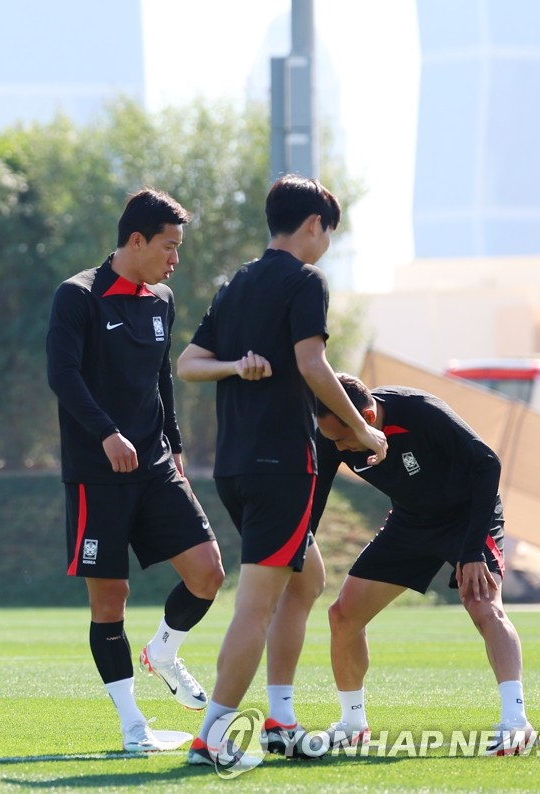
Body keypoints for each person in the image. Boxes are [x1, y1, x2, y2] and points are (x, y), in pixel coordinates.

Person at [176, 174, 388, 769]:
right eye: (329, 234)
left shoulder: (236, 283)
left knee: (306, 580)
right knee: (256, 606)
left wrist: (234, 367)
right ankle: (212, 736)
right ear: (315, 225)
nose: (327, 246)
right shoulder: (305, 280)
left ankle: (280, 720)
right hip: (281, 466)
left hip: (236, 466)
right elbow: (312, 364)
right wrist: (363, 428)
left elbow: (190, 365)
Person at [46, 188, 226, 754]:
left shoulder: (162, 300)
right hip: (96, 474)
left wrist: (172, 443)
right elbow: (63, 375)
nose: (176, 258)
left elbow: (160, 380)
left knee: (209, 573)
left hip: (154, 468)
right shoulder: (77, 296)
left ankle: (164, 652)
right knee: (111, 598)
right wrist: (106, 432)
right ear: (136, 240)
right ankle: (132, 727)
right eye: (169, 247)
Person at [314, 373, 534, 756]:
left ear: (367, 414)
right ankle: (352, 725)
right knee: (343, 616)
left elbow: (486, 464)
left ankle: (516, 724)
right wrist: (299, 547)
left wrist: (470, 553)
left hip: (467, 517)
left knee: (482, 604)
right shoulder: (332, 432)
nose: (340, 447)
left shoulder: (419, 411)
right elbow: (314, 496)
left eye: (344, 439)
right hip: (410, 521)